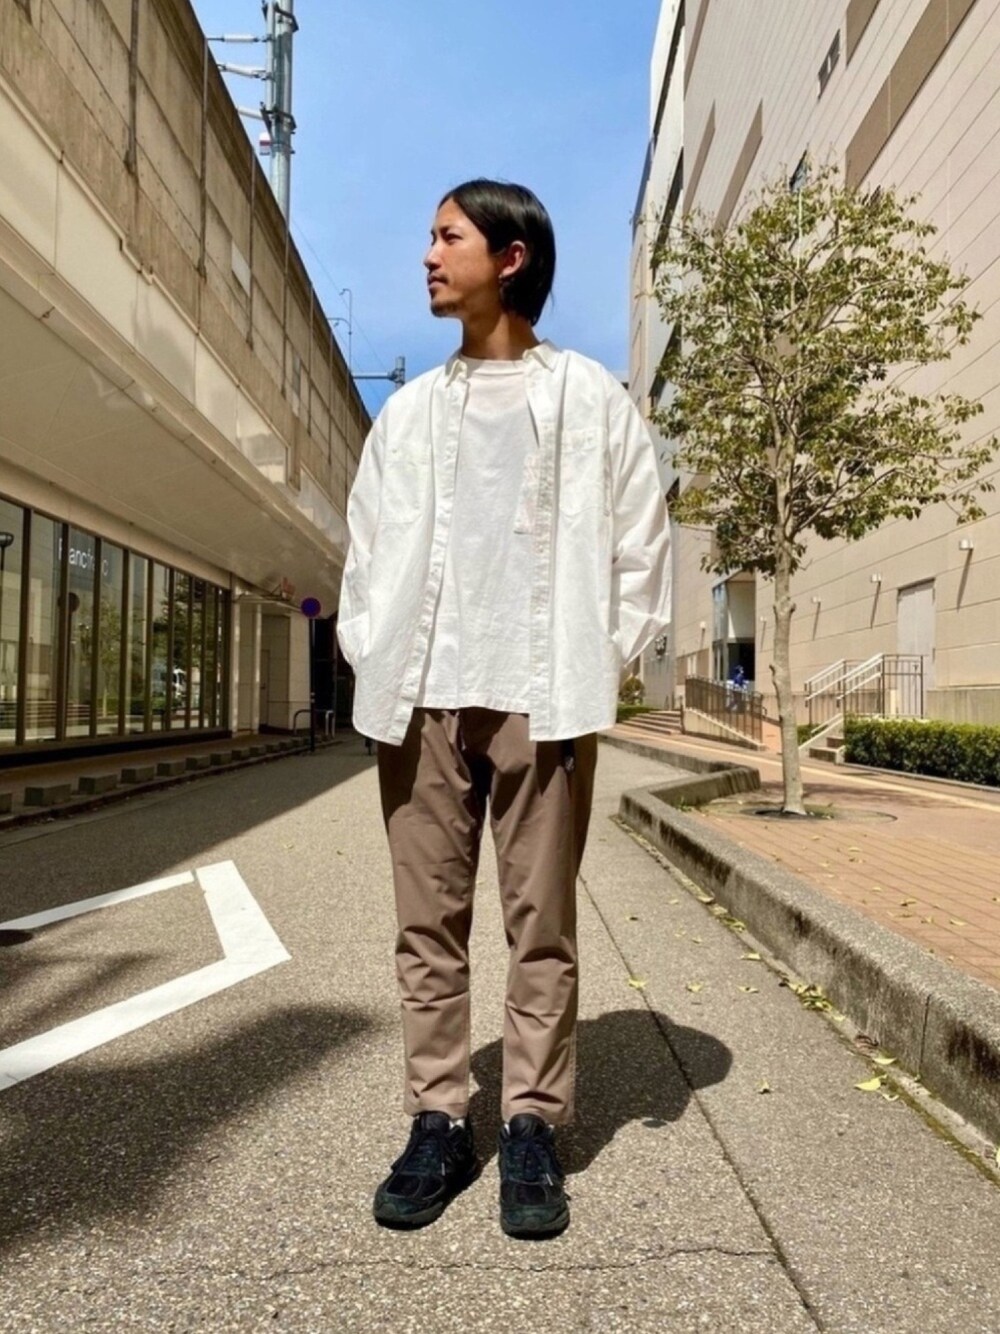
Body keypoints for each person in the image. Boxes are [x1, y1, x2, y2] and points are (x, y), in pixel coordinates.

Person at [337, 179, 670, 1239]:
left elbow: (641, 543)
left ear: (510, 256)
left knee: (543, 928)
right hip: (423, 698)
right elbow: (366, 549)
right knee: (425, 926)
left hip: (542, 693)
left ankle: (531, 1121)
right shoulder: (408, 413)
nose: (428, 256)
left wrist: (593, 661)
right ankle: (439, 1116)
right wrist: (370, 648)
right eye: (430, 237)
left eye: (448, 237)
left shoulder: (590, 398)